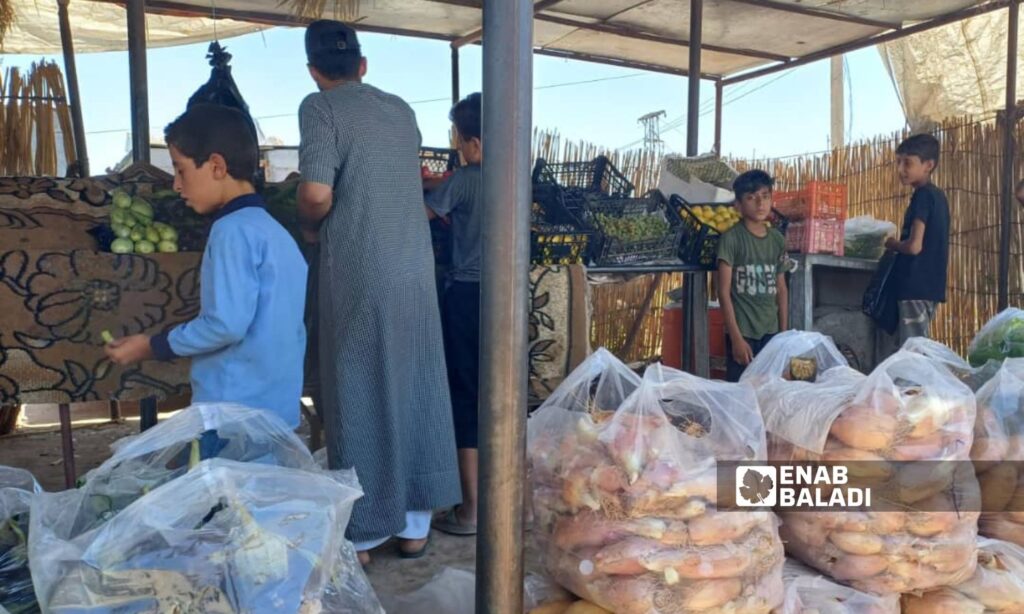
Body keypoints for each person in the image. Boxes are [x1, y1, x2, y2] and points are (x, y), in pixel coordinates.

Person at [296, 20, 460, 563]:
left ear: (315, 70)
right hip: (414, 269)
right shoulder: (401, 110)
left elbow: (317, 192)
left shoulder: (320, 108)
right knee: (415, 384)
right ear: (362, 65)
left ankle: (364, 534)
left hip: (361, 269)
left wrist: (310, 225)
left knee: (358, 387)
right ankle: (415, 526)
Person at [105, 104, 307, 429]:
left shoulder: (231, 231)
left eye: (181, 170)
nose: (176, 185)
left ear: (216, 166)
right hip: (274, 410)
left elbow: (225, 324)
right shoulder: (273, 231)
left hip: (231, 412)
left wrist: (153, 345)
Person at [424, 93, 482, 537]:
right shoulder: (518, 178)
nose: (458, 149)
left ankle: (472, 511)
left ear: (475, 143)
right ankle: (503, 501)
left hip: (467, 295)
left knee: (464, 398)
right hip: (509, 299)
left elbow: (424, 211)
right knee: (499, 398)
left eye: (460, 141)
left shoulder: (465, 179)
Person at [716, 169, 789, 382]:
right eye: (751, 197)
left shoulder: (776, 240)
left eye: (765, 197)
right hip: (743, 333)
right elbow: (723, 292)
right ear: (738, 205)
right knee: (741, 393)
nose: (760, 204)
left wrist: (783, 336)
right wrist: (736, 338)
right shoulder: (731, 239)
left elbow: (781, 290)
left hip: (771, 333)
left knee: (770, 392)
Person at [884, 133, 950, 343]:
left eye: (908, 163)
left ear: (928, 165)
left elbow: (914, 247)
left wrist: (892, 244)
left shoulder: (922, 196)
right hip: (930, 286)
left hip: (915, 285)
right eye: (899, 162)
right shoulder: (938, 197)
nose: (901, 169)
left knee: (913, 351)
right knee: (918, 346)